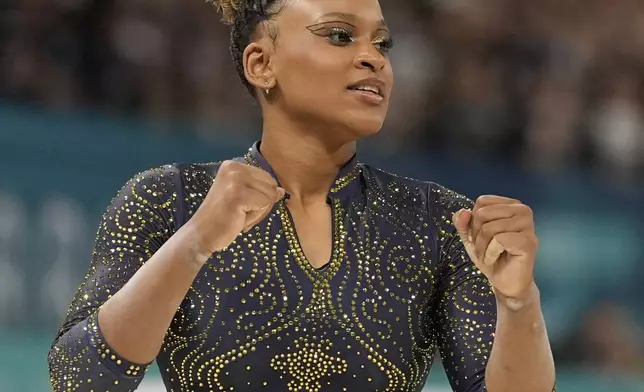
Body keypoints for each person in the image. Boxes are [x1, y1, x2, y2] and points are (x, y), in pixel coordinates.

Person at [47, 0, 556, 390]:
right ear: (261, 63)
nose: (372, 59)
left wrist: (518, 303)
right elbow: (79, 377)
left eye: (383, 44)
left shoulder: (439, 221)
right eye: (339, 35)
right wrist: (194, 243)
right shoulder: (169, 199)